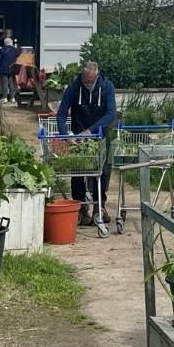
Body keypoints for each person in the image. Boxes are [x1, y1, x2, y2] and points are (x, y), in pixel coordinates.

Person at [55, 60, 117, 224]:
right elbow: (61, 114)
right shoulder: (74, 87)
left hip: (99, 136)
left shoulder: (106, 87)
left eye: (91, 80)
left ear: (96, 75)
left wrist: (91, 131)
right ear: (82, 75)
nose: (88, 83)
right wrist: (65, 135)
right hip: (78, 137)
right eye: (85, 79)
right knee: (77, 172)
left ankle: (99, 206)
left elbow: (111, 114)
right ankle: (80, 208)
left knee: (102, 171)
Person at [0, 37, 20, 104]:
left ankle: (4, 97)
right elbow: (18, 52)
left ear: (5, 43)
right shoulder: (15, 50)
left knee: (5, 83)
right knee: (11, 83)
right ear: (11, 43)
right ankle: (12, 98)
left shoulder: (2, 50)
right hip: (11, 69)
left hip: (3, 68)